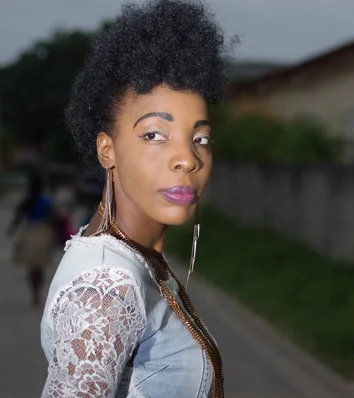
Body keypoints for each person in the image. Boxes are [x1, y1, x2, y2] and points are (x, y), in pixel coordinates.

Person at [40, 1, 230, 397]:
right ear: (106, 149)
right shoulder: (107, 286)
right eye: (155, 135)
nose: (187, 159)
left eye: (201, 139)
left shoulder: (137, 260)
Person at [6, 172, 56, 307]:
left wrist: (11, 230)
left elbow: (18, 218)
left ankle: (34, 292)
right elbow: (53, 217)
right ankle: (38, 292)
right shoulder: (46, 201)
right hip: (43, 233)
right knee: (40, 265)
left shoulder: (27, 200)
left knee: (31, 265)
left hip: (29, 232)